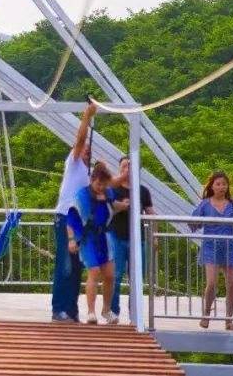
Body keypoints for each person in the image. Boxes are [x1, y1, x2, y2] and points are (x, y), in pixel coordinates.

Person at [51, 101, 97, 323]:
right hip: (64, 218)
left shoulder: (88, 176)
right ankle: (59, 309)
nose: (86, 150)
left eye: (89, 150)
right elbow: (79, 140)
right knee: (65, 265)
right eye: (84, 149)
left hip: (80, 223)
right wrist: (87, 117)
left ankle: (71, 309)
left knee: (77, 267)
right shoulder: (74, 163)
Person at [68, 161, 129, 324]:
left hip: (104, 237)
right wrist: (72, 239)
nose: (101, 187)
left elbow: (111, 206)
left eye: (104, 184)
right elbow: (72, 218)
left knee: (110, 275)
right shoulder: (82, 196)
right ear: (92, 180)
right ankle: (90, 312)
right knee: (94, 271)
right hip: (88, 238)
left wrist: (123, 206)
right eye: (98, 184)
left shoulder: (108, 193)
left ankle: (106, 310)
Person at [192, 170, 233, 330]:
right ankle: (206, 314)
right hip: (211, 246)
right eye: (218, 184)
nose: (222, 187)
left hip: (229, 246)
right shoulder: (205, 204)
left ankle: (228, 320)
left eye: (224, 184)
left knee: (232, 283)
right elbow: (194, 221)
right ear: (212, 186)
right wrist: (195, 223)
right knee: (212, 282)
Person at [108, 156, 155, 321]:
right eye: (124, 166)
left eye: (130, 166)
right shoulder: (113, 189)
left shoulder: (142, 191)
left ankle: (134, 312)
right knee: (116, 274)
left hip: (138, 238)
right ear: (120, 168)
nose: (127, 169)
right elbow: (105, 210)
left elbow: (151, 214)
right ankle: (113, 311)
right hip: (116, 235)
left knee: (136, 276)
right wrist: (120, 206)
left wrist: (154, 237)